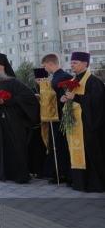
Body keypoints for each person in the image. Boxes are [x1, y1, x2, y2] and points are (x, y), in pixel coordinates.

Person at [0, 53, 39, 184]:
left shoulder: (12, 81)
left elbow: (28, 97)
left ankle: (19, 175)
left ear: (2, 67)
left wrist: (5, 102)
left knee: (14, 146)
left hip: (12, 121)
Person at [60, 52, 105, 192]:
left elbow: (98, 102)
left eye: (75, 62)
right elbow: (71, 100)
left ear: (85, 64)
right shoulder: (72, 81)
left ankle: (94, 184)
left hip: (89, 125)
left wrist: (76, 97)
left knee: (91, 153)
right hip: (75, 125)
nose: (71, 65)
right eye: (71, 62)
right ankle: (79, 183)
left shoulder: (94, 81)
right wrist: (64, 99)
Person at [39, 53, 73, 185]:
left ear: (50, 64)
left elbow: (65, 98)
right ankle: (59, 173)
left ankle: (65, 174)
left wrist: (59, 101)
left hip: (61, 117)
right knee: (56, 146)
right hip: (55, 117)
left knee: (62, 146)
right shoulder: (55, 77)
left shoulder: (64, 77)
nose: (45, 69)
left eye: (45, 66)